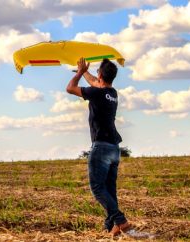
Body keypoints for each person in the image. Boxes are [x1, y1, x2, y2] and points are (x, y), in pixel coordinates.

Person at [66, 58, 130, 236]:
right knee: (109, 189)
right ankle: (112, 226)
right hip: (114, 148)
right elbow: (95, 82)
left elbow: (70, 88)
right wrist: (84, 70)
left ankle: (120, 220)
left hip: (101, 147)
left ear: (100, 74)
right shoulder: (112, 93)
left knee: (97, 187)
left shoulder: (96, 93)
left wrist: (78, 74)